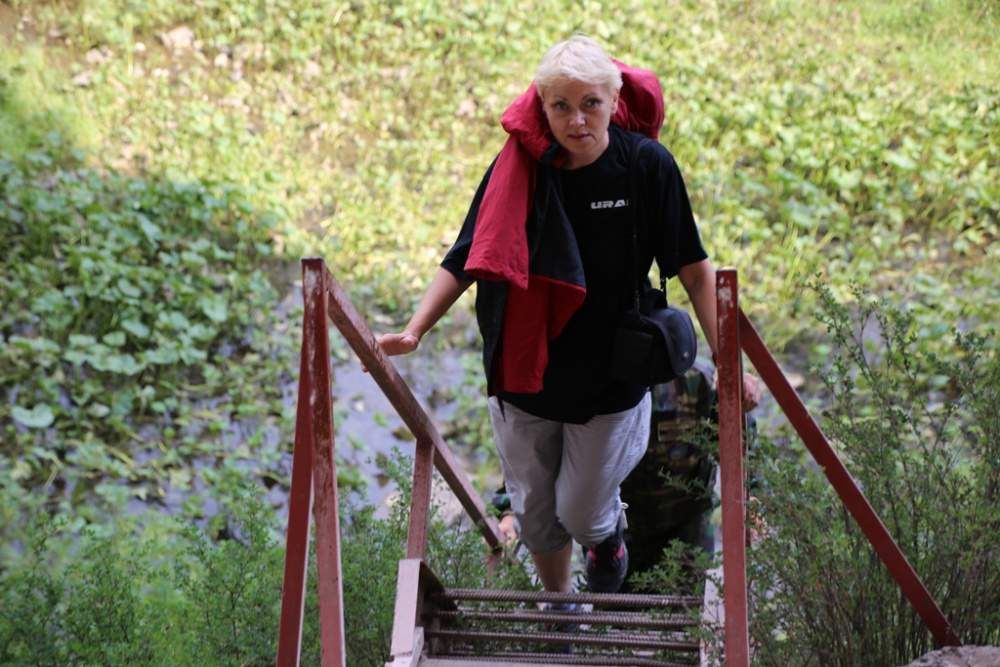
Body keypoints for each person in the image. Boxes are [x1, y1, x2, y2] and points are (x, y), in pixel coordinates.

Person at [375, 35, 761, 599]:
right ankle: (561, 610)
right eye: (561, 106)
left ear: (613, 99)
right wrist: (415, 330)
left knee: (581, 512)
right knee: (535, 518)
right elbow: (465, 255)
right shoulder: (519, 167)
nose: (577, 120)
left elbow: (696, 272)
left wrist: (729, 360)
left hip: (611, 379)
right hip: (523, 373)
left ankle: (604, 541)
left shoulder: (645, 166)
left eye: (590, 104)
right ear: (543, 106)